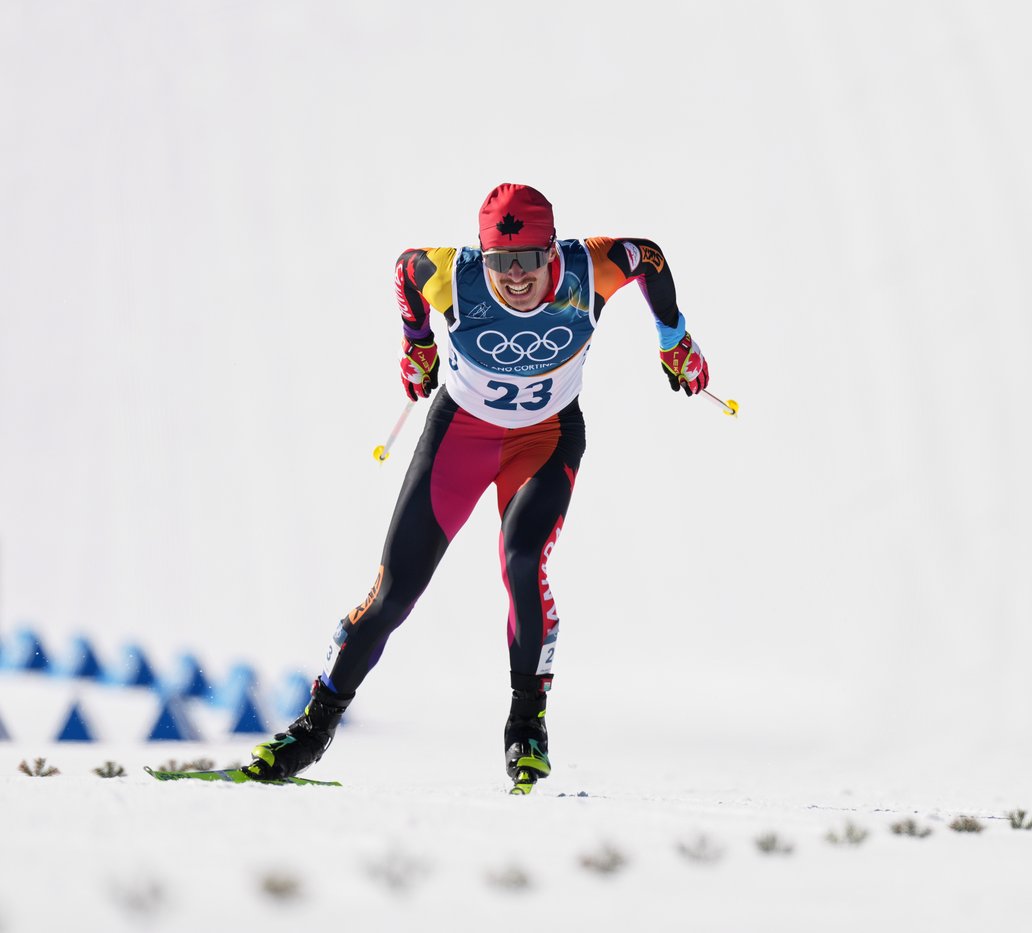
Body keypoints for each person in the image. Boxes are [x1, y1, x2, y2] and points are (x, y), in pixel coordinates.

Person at [241, 183, 711, 792]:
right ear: (480, 256)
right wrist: (417, 343)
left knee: (521, 562)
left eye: (528, 259)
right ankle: (312, 729)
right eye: (499, 261)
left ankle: (526, 727)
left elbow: (648, 255)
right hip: (459, 436)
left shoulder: (587, 267)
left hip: (544, 439)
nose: (515, 277)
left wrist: (675, 337)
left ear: (552, 251)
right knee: (394, 593)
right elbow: (405, 269)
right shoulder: (450, 274)